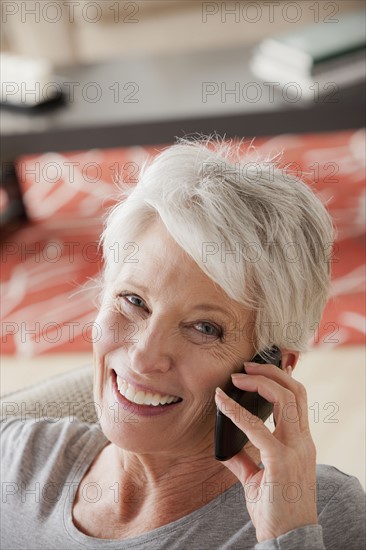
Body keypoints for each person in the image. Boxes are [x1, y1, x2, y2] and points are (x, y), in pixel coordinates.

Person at [1, 137, 365, 550]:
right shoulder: (15, 460)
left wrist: (286, 538)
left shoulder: (320, 514)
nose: (144, 355)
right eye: (134, 301)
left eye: (204, 328)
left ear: (272, 367)